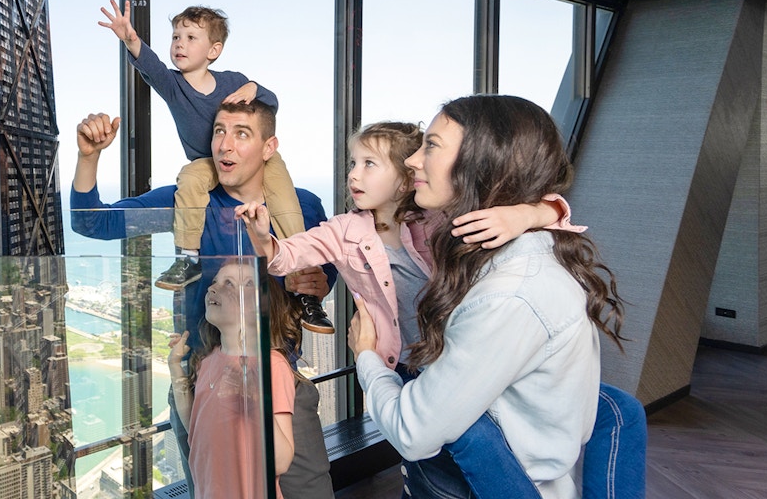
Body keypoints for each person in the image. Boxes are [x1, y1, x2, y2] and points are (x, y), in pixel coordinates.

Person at [236, 121, 582, 498]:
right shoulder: (343, 230)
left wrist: (524, 215)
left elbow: (555, 213)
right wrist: (261, 236)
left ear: (405, 181)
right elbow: (286, 255)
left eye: (370, 164)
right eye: (353, 163)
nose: (354, 174)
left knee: (478, 445)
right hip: (402, 362)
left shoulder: (438, 220)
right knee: (425, 464)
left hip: (458, 356)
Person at [348, 96, 628, 499]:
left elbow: (413, 431)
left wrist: (367, 358)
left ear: (481, 162)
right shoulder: (500, 247)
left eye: (432, 145)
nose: (412, 160)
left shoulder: (510, 296)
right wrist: (532, 212)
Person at [70, 99, 337, 491]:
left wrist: (322, 280)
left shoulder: (305, 206)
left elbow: (329, 262)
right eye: (219, 132)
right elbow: (92, 222)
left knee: (307, 489)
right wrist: (88, 157)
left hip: (278, 382)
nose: (225, 145)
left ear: (269, 148)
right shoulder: (191, 201)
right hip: (202, 383)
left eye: (241, 134)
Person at [98, 0, 333, 333]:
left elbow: (270, 104)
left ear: (215, 50)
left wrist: (255, 88)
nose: (179, 43)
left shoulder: (232, 81)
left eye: (191, 37)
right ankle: (188, 259)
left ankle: (305, 290)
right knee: (190, 177)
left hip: (256, 162)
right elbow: (149, 66)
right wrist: (130, 39)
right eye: (176, 36)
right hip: (209, 162)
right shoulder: (174, 85)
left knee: (287, 203)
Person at [168, 262, 334, 499]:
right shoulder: (208, 361)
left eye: (229, 284)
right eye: (215, 281)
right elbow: (195, 433)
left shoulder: (272, 366)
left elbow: (280, 461)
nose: (212, 288)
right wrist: (176, 370)